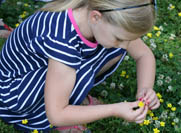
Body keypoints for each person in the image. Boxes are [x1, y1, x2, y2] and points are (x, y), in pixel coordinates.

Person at [0, 0, 160, 132]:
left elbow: (143, 55)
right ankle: (60, 111)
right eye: (119, 38)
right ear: (96, 17)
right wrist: (115, 109)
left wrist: (145, 88)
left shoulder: (94, 12)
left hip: (47, 72)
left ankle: (69, 99)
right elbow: (56, 115)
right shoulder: (64, 42)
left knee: (113, 51)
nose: (125, 45)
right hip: (16, 91)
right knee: (79, 70)